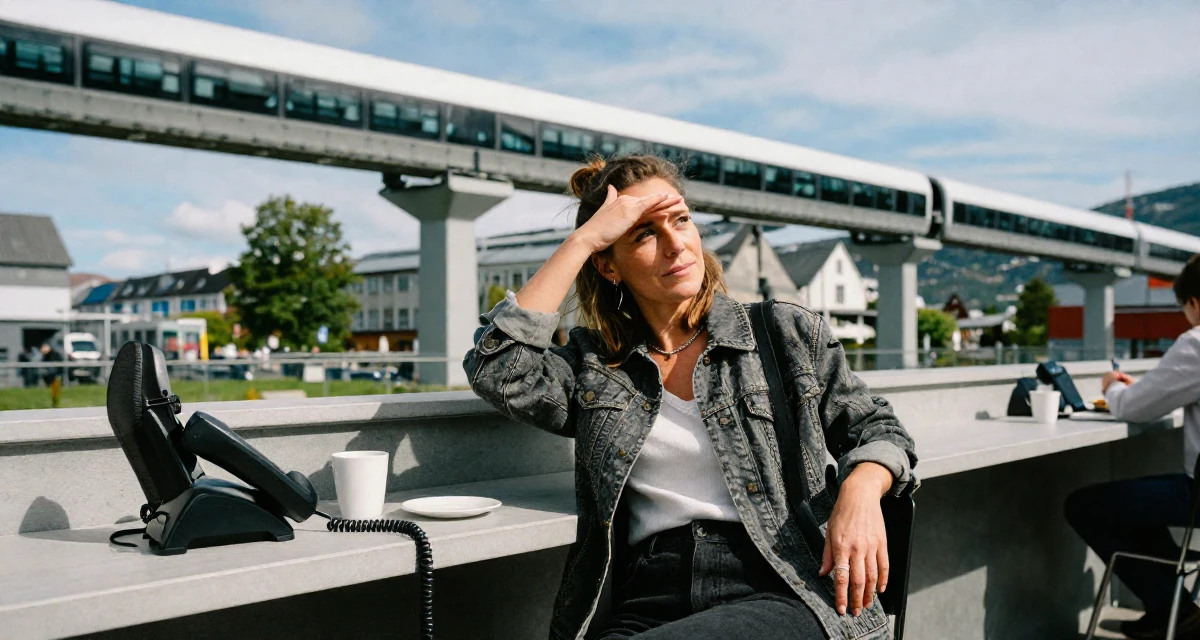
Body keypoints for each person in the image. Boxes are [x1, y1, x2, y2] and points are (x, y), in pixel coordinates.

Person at [464, 155, 918, 640]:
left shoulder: (783, 333)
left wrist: (861, 489)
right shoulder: (595, 366)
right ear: (608, 265)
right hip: (647, 595)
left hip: (783, 582)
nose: (675, 244)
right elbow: (498, 369)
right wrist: (582, 240)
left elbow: (880, 430)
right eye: (643, 234)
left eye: (681, 220)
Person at [1066, 253, 1200, 640]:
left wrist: (1113, 385)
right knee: (1142, 503)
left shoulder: (1195, 342)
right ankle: (1173, 610)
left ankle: (1173, 608)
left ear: (1193, 302)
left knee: (1083, 506)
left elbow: (1135, 408)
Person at [40, 343, 64, 408]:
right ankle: (54, 400)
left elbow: (60, 365)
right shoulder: (45, 357)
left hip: (55, 375)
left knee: (56, 388)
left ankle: (55, 400)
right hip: (50, 375)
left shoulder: (55, 355)